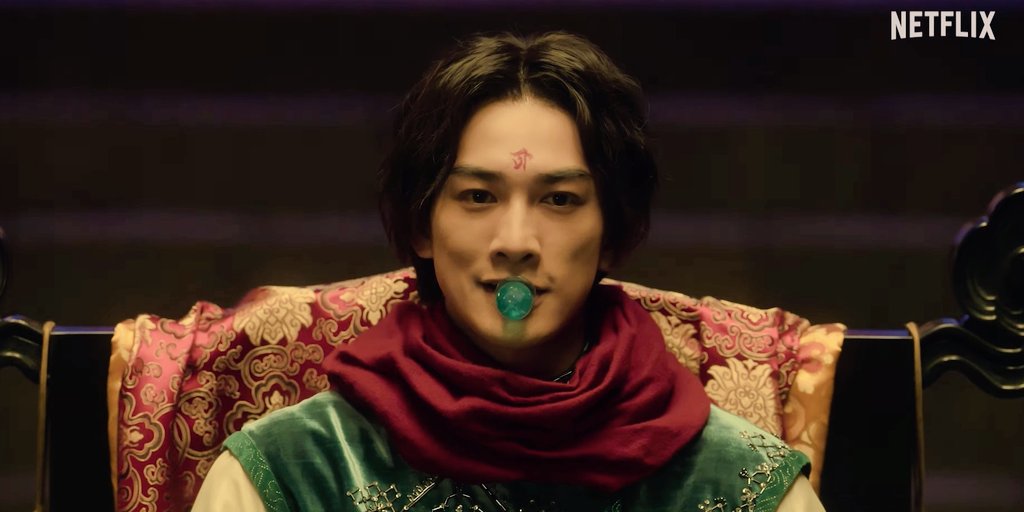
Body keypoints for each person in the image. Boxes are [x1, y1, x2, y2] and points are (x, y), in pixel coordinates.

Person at [193, 31, 824, 511]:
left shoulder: (737, 482)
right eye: (478, 196)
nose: (516, 242)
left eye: (560, 200)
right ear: (421, 227)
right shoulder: (294, 472)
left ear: (614, 233)